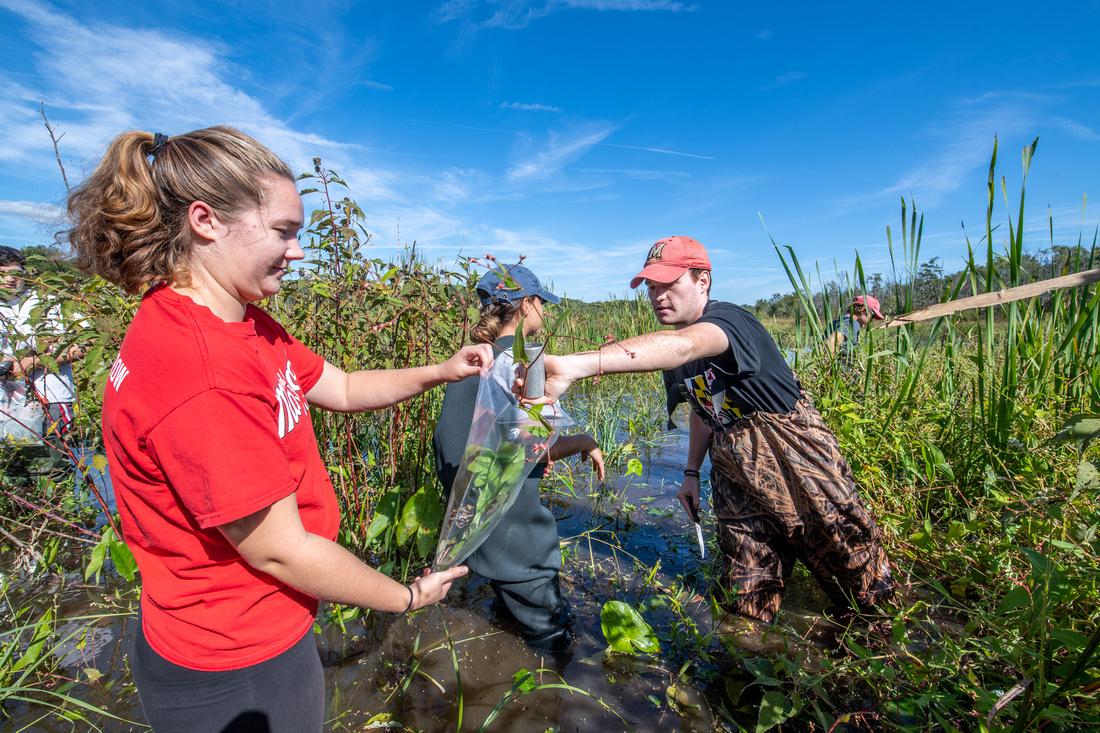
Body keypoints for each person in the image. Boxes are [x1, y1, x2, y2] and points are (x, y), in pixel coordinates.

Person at [65, 126, 482, 733]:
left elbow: (337, 387)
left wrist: (441, 371)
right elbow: (280, 549)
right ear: (206, 221)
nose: (297, 251)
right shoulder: (201, 372)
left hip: (247, 630)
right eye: (284, 231)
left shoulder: (243, 322)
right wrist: (406, 597)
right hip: (233, 663)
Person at [520, 236, 895, 624]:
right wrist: (691, 473)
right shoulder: (676, 358)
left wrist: (577, 365)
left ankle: (885, 653)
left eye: (669, 283)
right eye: (651, 287)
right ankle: (752, 664)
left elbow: (684, 346)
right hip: (735, 471)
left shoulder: (729, 321)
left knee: (858, 575)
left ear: (703, 281)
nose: (657, 296)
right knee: (746, 591)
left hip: (799, 463)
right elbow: (703, 409)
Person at [433, 264, 604, 653]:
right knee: (555, 645)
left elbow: (453, 443)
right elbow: (536, 443)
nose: (545, 310)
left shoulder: (468, 362)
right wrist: (584, 441)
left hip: (475, 535)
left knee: (507, 628)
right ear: (526, 305)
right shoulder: (529, 363)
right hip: (518, 542)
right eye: (542, 302)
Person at [0, 246, 84, 477]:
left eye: (15, 273)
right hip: (7, 406)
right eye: (2, 273)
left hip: (52, 402)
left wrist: (30, 362)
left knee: (54, 475)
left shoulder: (48, 301)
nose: (9, 280)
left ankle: (61, 512)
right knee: (14, 476)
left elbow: (81, 346)